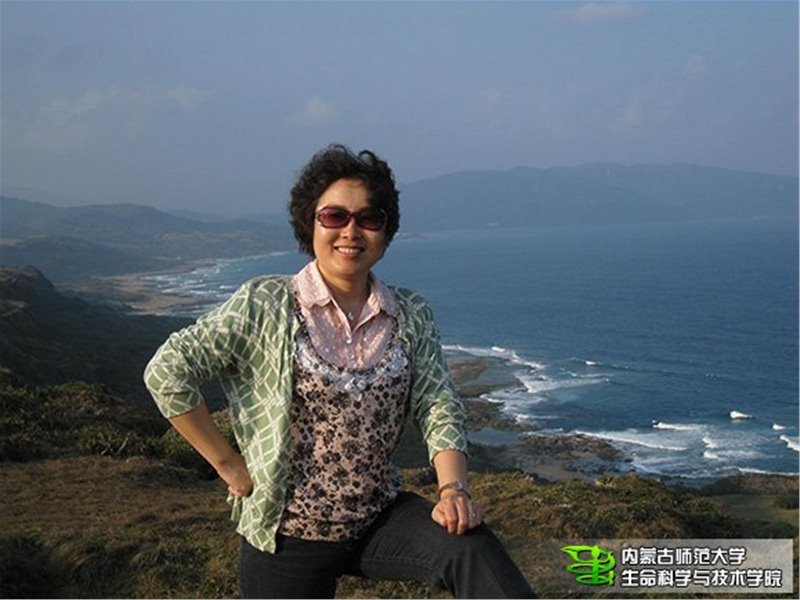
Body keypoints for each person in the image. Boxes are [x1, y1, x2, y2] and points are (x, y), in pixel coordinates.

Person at [144, 144, 535, 599]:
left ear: (385, 231)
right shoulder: (264, 303)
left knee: (469, 547)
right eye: (334, 216)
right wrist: (228, 465)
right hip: (286, 532)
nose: (351, 230)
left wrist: (453, 489)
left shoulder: (410, 313)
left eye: (369, 218)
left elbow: (437, 404)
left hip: (378, 517)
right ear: (309, 223)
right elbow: (167, 371)